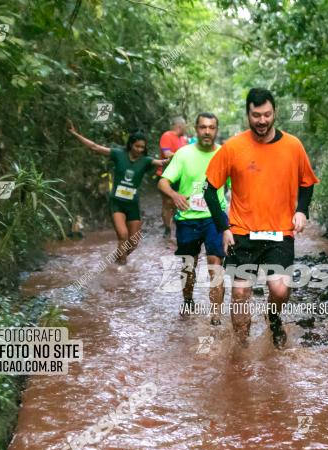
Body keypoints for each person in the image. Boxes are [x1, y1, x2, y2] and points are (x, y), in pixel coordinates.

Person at [202, 88, 319, 348]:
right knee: (241, 291)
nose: (262, 121)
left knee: (279, 290)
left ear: (274, 113)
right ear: (248, 115)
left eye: (266, 114)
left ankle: (273, 317)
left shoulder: (293, 146)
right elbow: (209, 190)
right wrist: (224, 227)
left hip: (280, 232)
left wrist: (302, 210)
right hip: (242, 231)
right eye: (256, 115)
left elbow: (307, 182)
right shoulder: (233, 147)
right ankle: (241, 348)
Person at [158, 113, 229, 325]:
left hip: (214, 218)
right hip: (188, 218)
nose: (207, 131)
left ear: (216, 130)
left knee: (216, 263)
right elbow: (163, 182)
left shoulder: (225, 154)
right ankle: (188, 300)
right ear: (196, 129)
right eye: (202, 127)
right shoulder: (183, 154)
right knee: (188, 265)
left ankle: (215, 316)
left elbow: (239, 185)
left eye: (211, 127)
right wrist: (174, 195)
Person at [67, 121, 166, 264]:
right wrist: (75, 134)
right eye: (137, 146)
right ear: (131, 144)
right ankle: (122, 270)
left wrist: (176, 157)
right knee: (123, 235)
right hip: (117, 202)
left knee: (133, 243)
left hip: (132, 204)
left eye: (142, 147)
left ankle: (118, 259)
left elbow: (163, 162)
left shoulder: (146, 161)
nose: (139, 149)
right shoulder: (118, 154)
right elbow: (95, 147)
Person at [157, 117, 189, 238]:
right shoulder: (167, 135)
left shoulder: (183, 140)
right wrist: (183, 155)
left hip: (181, 175)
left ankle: (178, 227)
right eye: (185, 126)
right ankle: (167, 229)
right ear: (180, 126)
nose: (187, 128)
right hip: (167, 173)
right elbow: (167, 154)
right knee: (167, 202)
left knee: (180, 200)